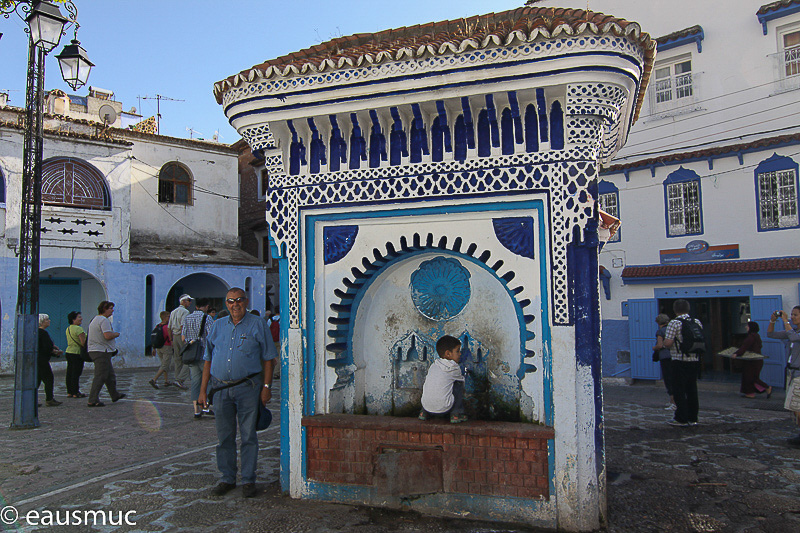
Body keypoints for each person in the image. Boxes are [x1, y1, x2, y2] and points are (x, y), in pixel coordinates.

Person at [198, 288, 277, 498]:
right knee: (224, 437)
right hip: (221, 389)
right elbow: (208, 358)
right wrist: (203, 391)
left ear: (246, 301)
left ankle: (249, 480)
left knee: (248, 435)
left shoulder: (258, 324)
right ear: (226, 303)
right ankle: (227, 478)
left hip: (248, 388)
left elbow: (269, 359)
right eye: (230, 301)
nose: (235, 305)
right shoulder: (218, 326)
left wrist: (266, 388)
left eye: (239, 300)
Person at [663, 299, 703, 427]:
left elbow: (668, 343)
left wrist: (664, 344)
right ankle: (693, 417)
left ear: (675, 310)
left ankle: (681, 417)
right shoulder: (696, 321)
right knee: (692, 389)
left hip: (679, 360)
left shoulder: (674, 323)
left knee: (679, 389)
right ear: (688, 309)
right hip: (694, 359)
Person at [768, 306, 800, 447]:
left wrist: (786, 321)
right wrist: (773, 321)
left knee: (797, 407)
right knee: (793, 407)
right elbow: (770, 335)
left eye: (795, 315)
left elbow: (794, 337)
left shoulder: (793, 333)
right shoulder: (792, 331)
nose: (792, 317)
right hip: (791, 372)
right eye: (791, 315)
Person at [419, 335, 467, 423]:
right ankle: (456, 414)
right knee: (458, 384)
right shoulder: (453, 367)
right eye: (457, 351)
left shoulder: (434, 365)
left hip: (427, 407)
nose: (460, 354)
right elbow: (462, 381)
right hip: (444, 409)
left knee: (432, 383)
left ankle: (423, 413)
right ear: (448, 353)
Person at [86, 301, 126, 407]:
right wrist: (116, 334)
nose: (112, 310)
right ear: (104, 309)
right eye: (110, 308)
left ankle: (114, 394)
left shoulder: (95, 319)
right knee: (101, 375)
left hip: (99, 350)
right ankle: (93, 399)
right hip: (101, 351)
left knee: (109, 375)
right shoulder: (103, 320)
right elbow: (107, 335)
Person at [182, 297, 214, 419]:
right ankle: (205, 406)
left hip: (191, 354)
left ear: (196, 306)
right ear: (206, 306)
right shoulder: (207, 318)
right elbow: (211, 335)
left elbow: (183, 336)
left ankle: (196, 410)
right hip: (204, 353)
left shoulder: (187, 318)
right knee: (207, 380)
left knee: (195, 381)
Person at [732, 321, 771, 399]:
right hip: (755, 360)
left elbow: (744, 347)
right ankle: (750, 393)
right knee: (749, 376)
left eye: (747, 326)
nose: (746, 327)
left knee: (751, 377)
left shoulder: (751, 337)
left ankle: (766, 387)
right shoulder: (756, 336)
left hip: (753, 361)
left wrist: (737, 353)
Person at [168, 294, 193, 390]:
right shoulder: (185, 312)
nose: (190, 303)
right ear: (183, 301)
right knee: (188, 358)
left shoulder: (173, 312)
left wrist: (171, 339)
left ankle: (177, 378)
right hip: (182, 336)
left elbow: (169, 327)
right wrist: (185, 338)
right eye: (188, 300)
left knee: (177, 359)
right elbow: (183, 326)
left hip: (174, 336)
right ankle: (180, 380)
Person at [37, 314, 62, 407]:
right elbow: (46, 347)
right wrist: (54, 351)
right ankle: (49, 399)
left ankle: (32, 399)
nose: (49, 321)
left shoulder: (36, 332)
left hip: (37, 359)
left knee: (37, 380)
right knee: (48, 379)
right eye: (47, 320)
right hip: (42, 360)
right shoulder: (43, 333)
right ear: (42, 322)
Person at [653, 314, 675, 411]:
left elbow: (660, 345)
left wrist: (654, 348)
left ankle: (673, 401)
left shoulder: (660, 331)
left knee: (669, 379)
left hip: (665, 357)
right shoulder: (672, 329)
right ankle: (675, 400)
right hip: (675, 356)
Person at [64, 311, 87, 398]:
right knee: (76, 373)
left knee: (69, 372)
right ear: (73, 319)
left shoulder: (68, 328)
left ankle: (69, 391)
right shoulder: (79, 329)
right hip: (77, 353)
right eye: (79, 317)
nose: (81, 319)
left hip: (69, 351)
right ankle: (75, 392)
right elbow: (83, 343)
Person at [149, 311, 173, 389]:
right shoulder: (167, 327)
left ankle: (166, 381)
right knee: (165, 365)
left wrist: (154, 348)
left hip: (159, 347)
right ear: (165, 317)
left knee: (164, 364)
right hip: (166, 347)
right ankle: (154, 379)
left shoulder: (157, 326)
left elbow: (154, 338)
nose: (170, 318)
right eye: (168, 316)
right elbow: (170, 337)